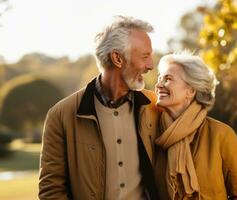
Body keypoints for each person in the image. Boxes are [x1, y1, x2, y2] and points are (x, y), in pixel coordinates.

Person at [39, 16, 160, 200]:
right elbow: (51, 190)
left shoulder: (155, 106)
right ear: (117, 58)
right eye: (145, 56)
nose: (151, 65)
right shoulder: (61, 115)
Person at [153, 52, 237, 200]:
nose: (158, 85)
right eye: (159, 78)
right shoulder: (153, 134)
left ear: (191, 90)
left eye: (168, 79)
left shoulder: (221, 134)